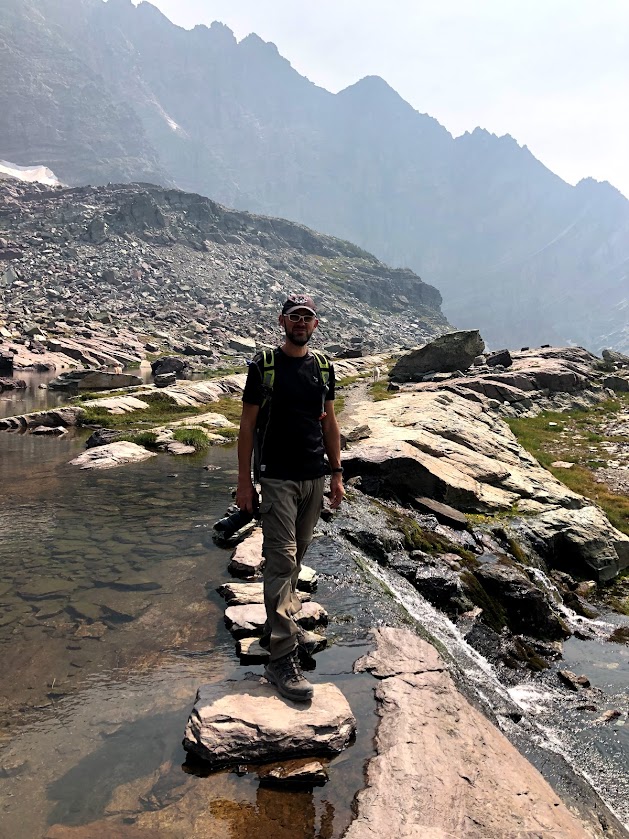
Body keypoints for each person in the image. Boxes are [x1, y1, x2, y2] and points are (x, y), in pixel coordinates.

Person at [236, 294, 344, 701]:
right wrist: (245, 483)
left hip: (314, 476)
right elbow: (246, 427)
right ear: (282, 321)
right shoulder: (263, 366)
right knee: (281, 559)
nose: (301, 323)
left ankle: (275, 625)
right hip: (277, 477)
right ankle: (281, 656)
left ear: (315, 325)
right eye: (295, 317)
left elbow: (330, 422)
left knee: (295, 558)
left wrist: (336, 473)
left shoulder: (322, 366)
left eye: (308, 318)